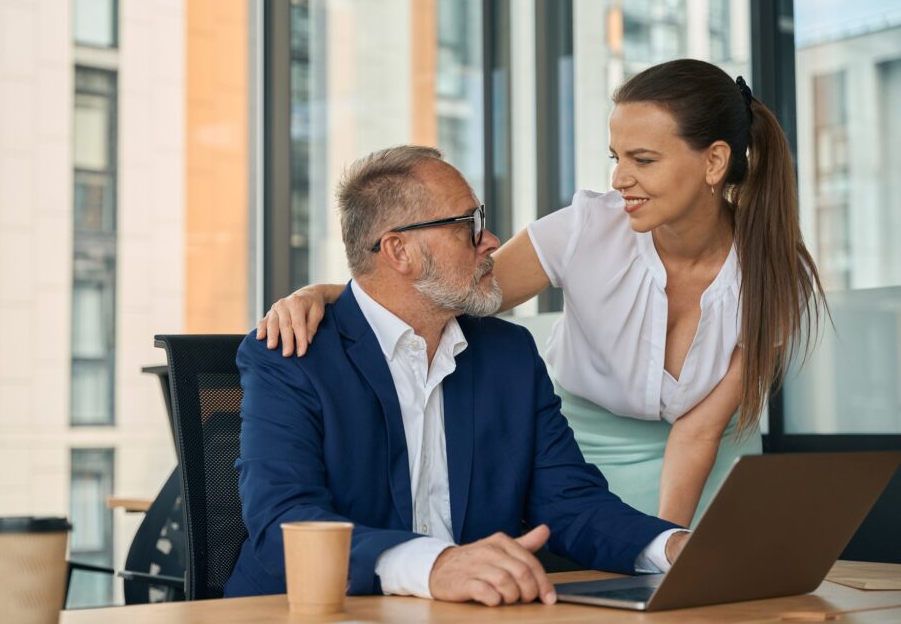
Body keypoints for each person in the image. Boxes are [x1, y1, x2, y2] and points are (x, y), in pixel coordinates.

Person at [255, 59, 827, 528]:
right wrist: (330, 293)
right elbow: (452, 287)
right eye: (616, 158)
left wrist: (663, 554)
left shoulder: (774, 276)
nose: (619, 179)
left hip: (706, 476)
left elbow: (699, 430)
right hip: (577, 470)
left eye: (643, 160)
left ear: (715, 161)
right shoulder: (585, 228)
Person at [225, 146, 688, 606]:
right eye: (469, 226)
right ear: (398, 250)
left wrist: (671, 547)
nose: (491, 242)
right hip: (314, 611)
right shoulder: (292, 358)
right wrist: (435, 565)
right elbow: (284, 523)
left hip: (469, 613)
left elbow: (570, 503)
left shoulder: (510, 356)